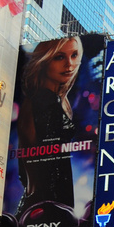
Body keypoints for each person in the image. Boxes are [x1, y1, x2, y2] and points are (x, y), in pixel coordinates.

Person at [15, 36, 84, 215]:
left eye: (74, 55)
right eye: (59, 57)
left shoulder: (54, 101)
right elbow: (31, 156)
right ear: (44, 61)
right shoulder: (43, 100)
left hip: (44, 203)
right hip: (45, 204)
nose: (69, 64)